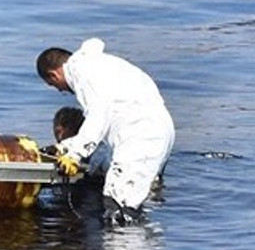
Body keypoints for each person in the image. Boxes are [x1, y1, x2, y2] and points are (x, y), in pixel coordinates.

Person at [35, 38, 175, 224]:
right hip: (158, 130)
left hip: (140, 136)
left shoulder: (83, 74)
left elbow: (98, 117)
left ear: (54, 75)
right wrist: (64, 148)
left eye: (54, 86)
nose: (61, 91)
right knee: (137, 198)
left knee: (118, 209)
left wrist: (75, 155)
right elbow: (106, 130)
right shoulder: (101, 66)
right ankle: (144, 248)